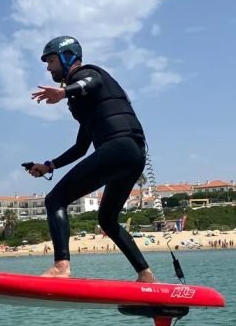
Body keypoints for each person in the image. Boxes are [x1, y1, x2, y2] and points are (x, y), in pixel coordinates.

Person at [26, 35, 155, 282]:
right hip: (132, 156)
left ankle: (61, 267)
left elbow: (91, 82)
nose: (48, 67)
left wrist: (64, 92)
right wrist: (48, 166)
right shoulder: (85, 104)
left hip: (118, 148)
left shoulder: (86, 74)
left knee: (55, 200)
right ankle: (145, 274)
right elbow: (80, 147)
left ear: (67, 57)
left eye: (51, 60)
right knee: (107, 219)